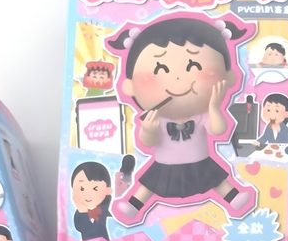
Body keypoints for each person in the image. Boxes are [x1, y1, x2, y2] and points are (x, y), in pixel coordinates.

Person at [105, 14, 256, 223]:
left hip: (200, 162)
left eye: (193, 66)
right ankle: (133, 205)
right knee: (149, 184)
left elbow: (218, 129)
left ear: (227, 78)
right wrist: (148, 129)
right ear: (130, 86)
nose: (177, 78)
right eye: (160, 69)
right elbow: (147, 142)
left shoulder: (202, 115)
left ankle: (234, 197)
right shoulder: (158, 119)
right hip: (164, 164)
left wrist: (214, 106)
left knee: (215, 178)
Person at [69, 161, 113, 241]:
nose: (87, 194)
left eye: (95, 189)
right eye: (82, 188)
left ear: (108, 190)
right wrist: (82, 209)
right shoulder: (79, 211)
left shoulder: (104, 210)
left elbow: (92, 233)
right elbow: (80, 227)